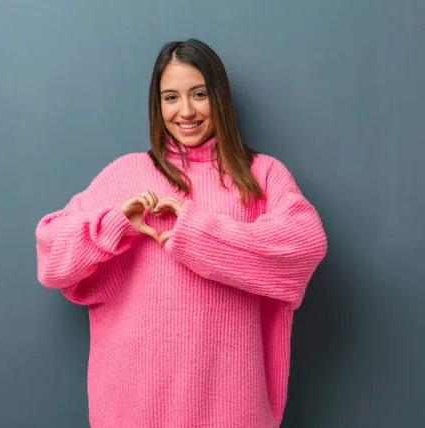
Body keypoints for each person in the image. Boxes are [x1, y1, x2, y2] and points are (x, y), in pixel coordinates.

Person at [35, 39, 327, 428]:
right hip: (133, 404)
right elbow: (51, 256)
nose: (185, 111)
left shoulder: (261, 175)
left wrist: (196, 234)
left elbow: (304, 243)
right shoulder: (127, 173)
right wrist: (113, 225)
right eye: (170, 97)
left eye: (199, 94)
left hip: (231, 405)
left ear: (219, 98)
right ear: (157, 105)